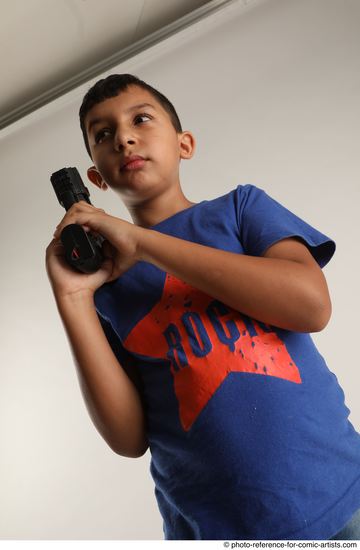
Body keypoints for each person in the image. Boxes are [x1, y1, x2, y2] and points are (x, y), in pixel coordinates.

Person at [45, 74, 360, 540]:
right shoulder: (104, 285)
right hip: (213, 527)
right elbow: (128, 438)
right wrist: (72, 298)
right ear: (96, 179)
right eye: (103, 134)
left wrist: (143, 243)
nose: (124, 137)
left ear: (184, 143)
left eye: (141, 119)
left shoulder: (240, 209)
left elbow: (311, 306)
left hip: (338, 495)